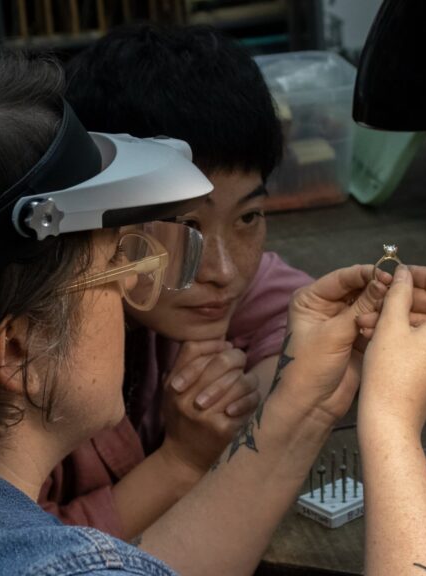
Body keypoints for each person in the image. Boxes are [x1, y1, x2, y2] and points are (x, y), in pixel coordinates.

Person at [0, 54, 426, 576]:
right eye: (122, 260)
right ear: (17, 351)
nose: (145, 280)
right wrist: (391, 424)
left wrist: (308, 398)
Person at [38, 22, 314, 540]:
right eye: (184, 227)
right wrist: (182, 463)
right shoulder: (25, 359)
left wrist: (240, 397)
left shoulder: (184, 289)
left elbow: (303, 313)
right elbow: (12, 554)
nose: (223, 273)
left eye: (248, 218)